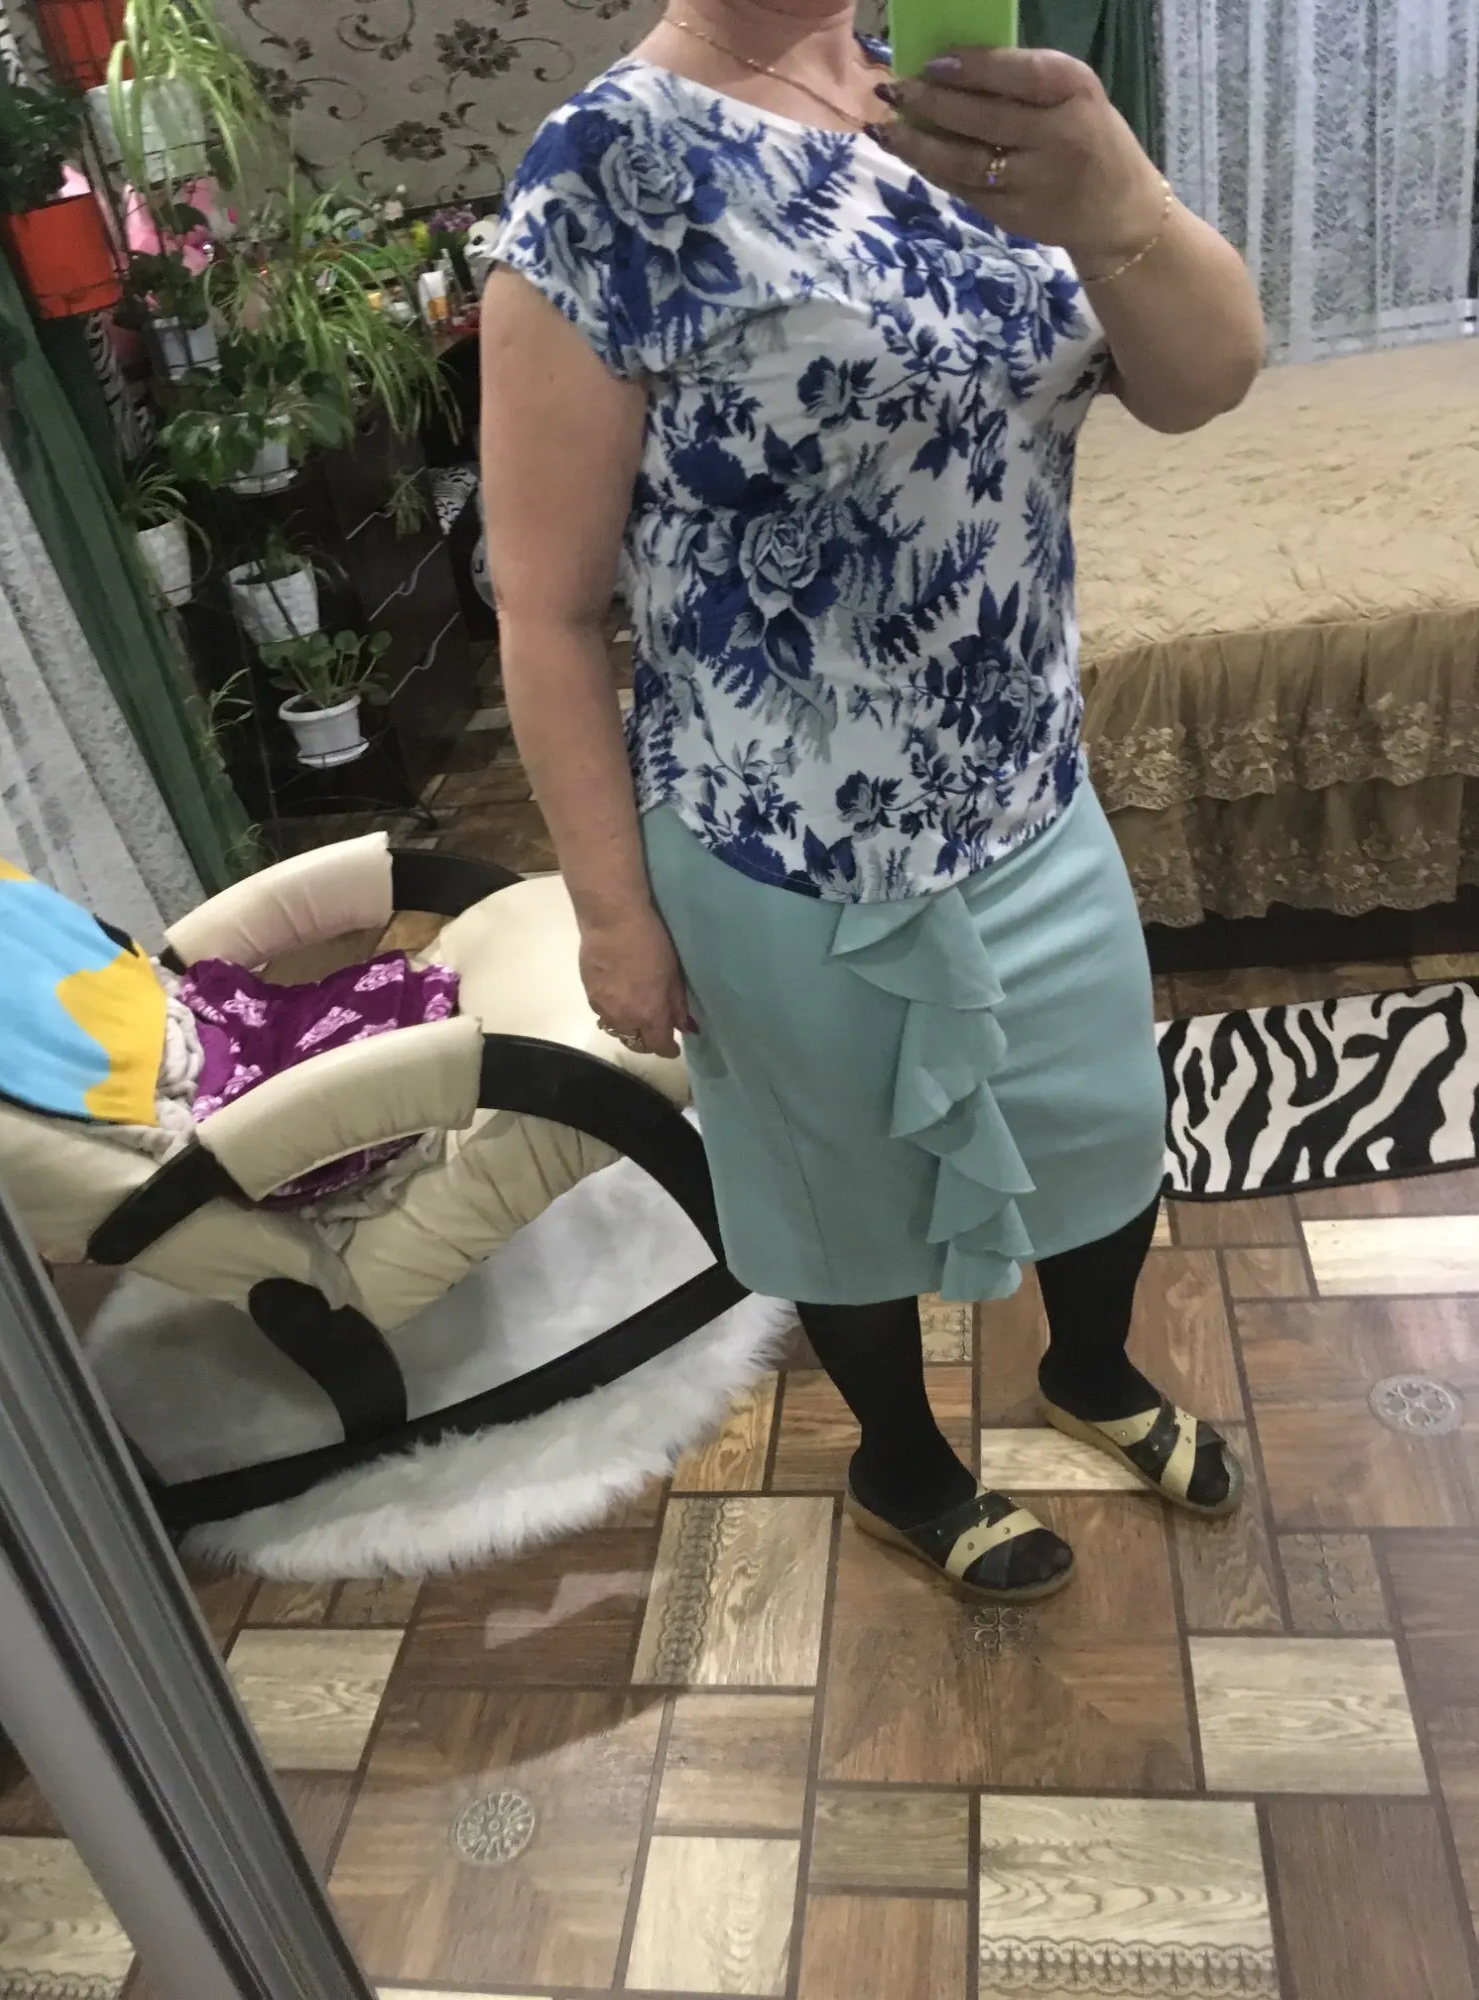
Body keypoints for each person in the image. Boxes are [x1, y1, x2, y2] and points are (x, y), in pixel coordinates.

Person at [480, 1, 1266, 1604]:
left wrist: (1115, 196)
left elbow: (1206, 379)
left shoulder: (962, 94)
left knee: (1104, 1132)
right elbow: (546, 614)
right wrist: (614, 917)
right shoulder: (602, 175)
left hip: (1028, 795)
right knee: (841, 1199)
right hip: (776, 853)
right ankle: (901, 1463)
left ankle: (1091, 1370)